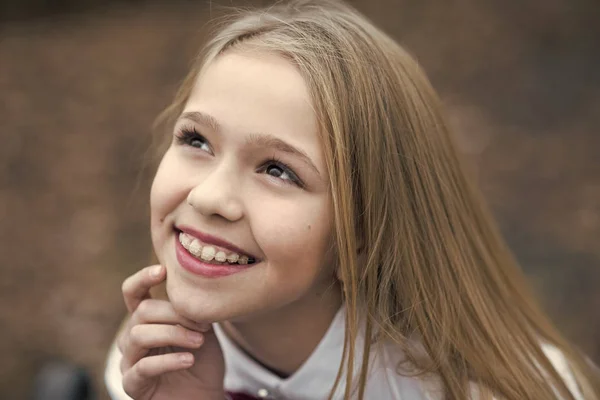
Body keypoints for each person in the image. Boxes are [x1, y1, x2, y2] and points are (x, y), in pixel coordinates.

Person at [104, 1, 600, 399]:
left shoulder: (502, 390)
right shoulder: (153, 362)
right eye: (196, 140)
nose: (210, 196)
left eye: (278, 170)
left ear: (363, 235)